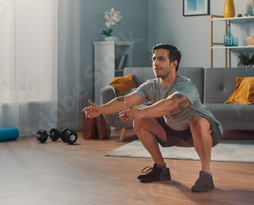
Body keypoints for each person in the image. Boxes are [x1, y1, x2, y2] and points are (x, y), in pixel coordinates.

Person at [82, 43, 223, 192]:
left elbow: (172, 103)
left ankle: (206, 175)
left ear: (174, 64)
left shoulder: (186, 86)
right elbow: (126, 100)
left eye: (161, 59)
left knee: (197, 121)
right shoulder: (150, 86)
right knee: (140, 121)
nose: (155, 63)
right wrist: (101, 109)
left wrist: (141, 111)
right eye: (154, 59)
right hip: (174, 130)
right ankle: (161, 169)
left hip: (205, 131)